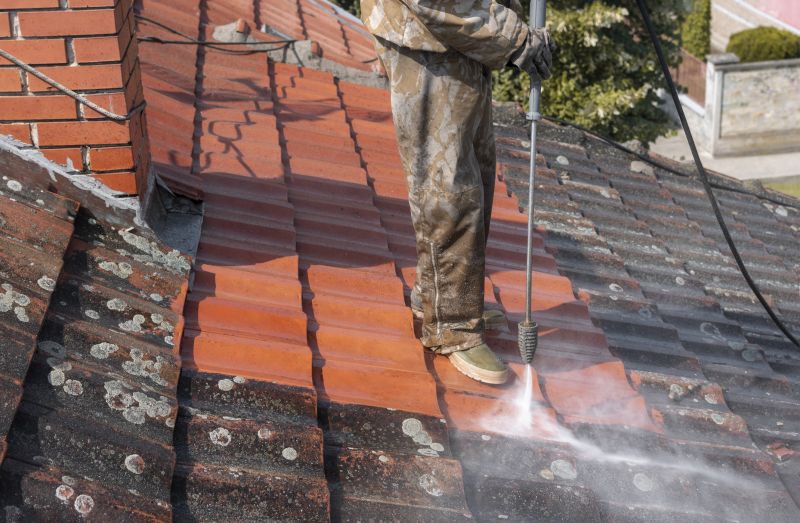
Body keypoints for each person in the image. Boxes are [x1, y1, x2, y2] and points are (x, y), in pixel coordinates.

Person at [360, 0, 555, 384]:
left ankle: (441, 298)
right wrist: (513, 37)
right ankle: (452, 326)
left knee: (475, 176)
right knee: (450, 188)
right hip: (430, 35)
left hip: (459, 35)